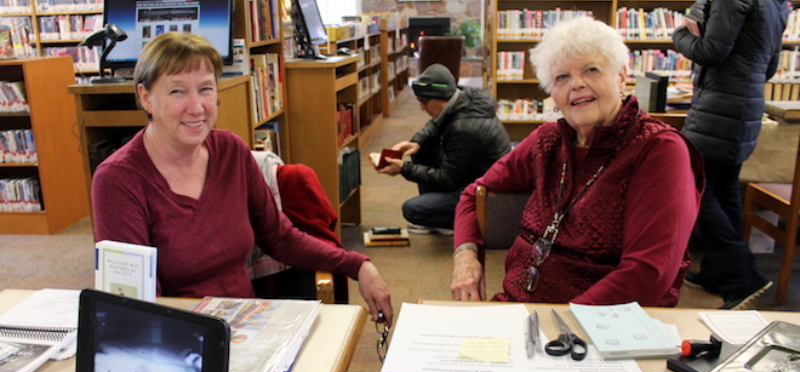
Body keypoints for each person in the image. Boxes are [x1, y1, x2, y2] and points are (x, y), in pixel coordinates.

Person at [91, 32, 393, 325]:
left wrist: (357, 265)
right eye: (177, 91)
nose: (197, 107)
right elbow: (136, 303)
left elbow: (282, 239)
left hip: (246, 324)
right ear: (146, 97)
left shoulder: (231, 151)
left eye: (206, 89)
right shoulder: (118, 180)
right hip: (179, 337)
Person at [450, 17, 704, 306]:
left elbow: (647, 274)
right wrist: (465, 254)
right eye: (562, 77)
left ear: (621, 75)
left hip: (602, 328)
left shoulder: (658, 149)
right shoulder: (548, 140)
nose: (577, 84)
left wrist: (561, 322)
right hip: (520, 310)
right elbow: (473, 194)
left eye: (591, 70)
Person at [672, 0, 789, 309]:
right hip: (747, 107)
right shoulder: (778, 3)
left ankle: (742, 276)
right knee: (724, 190)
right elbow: (771, 66)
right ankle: (717, 272)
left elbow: (711, 51)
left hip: (718, 109)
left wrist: (681, 34)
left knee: (697, 188)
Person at [376, 63, 511, 235]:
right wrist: (417, 142)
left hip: (483, 191)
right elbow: (436, 124)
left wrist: (403, 169)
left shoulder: (465, 128)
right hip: (471, 172)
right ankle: (439, 206)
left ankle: (458, 222)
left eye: (425, 102)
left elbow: (447, 179)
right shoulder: (464, 97)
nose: (422, 108)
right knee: (422, 150)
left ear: (441, 98)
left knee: (412, 210)